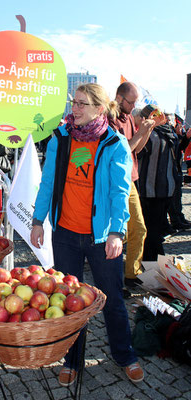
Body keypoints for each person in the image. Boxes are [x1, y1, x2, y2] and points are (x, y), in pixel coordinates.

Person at [31, 83, 144, 387]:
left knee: (113, 300)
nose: (74, 109)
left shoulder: (115, 143)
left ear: (98, 108)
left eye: (82, 104)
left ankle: (124, 355)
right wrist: (38, 220)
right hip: (65, 234)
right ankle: (72, 359)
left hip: (101, 238)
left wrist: (118, 232)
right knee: (67, 301)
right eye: (74, 103)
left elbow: (121, 192)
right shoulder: (61, 138)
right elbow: (47, 183)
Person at [109, 82, 155, 288]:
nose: (134, 105)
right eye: (131, 101)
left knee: (139, 229)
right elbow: (121, 151)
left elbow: (136, 149)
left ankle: (131, 273)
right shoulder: (110, 119)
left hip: (130, 180)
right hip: (114, 182)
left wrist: (147, 131)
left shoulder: (128, 118)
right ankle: (114, 275)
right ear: (119, 98)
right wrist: (139, 134)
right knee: (118, 232)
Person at [137, 109, 177, 261]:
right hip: (167, 187)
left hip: (149, 189)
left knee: (149, 230)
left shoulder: (151, 136)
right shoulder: (170, 133)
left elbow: (137, 153)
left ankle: (152, 263)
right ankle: (158, 261)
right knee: (157, 228)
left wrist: (145, 130)